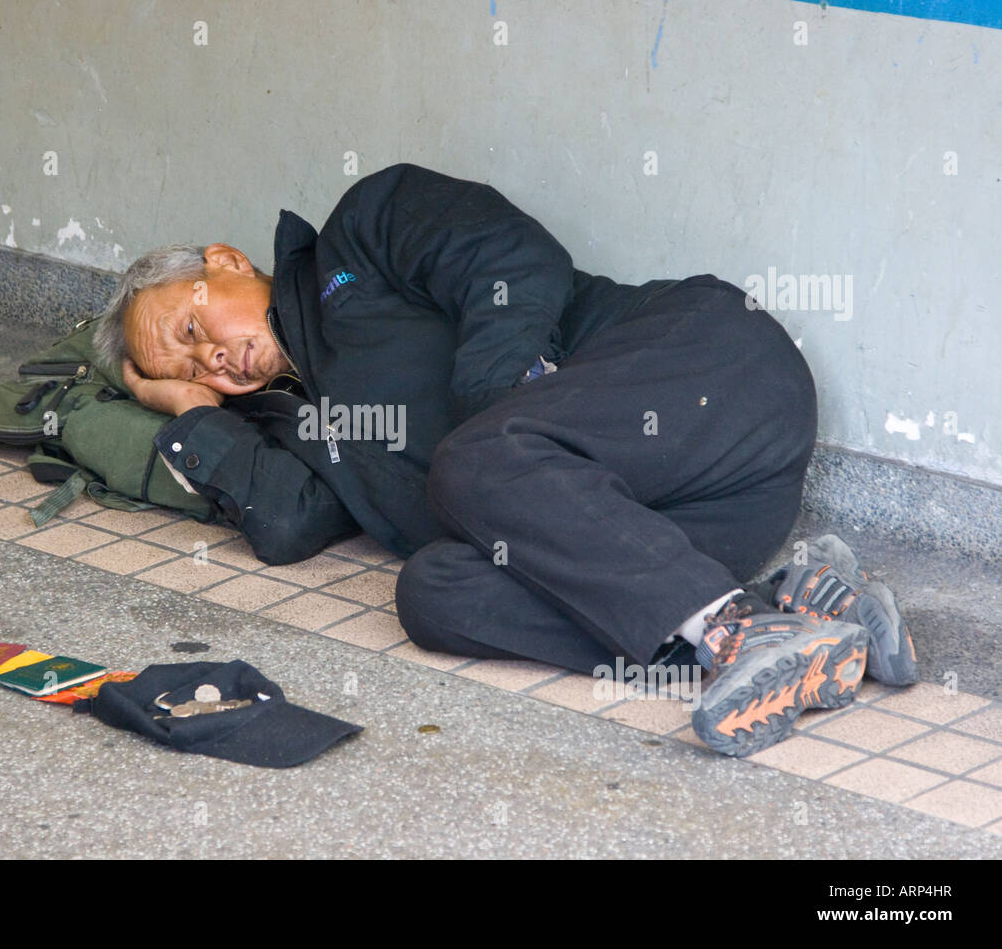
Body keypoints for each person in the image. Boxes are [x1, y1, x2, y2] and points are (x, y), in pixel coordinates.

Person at [91, 162, 917, 757]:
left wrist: (502, 404)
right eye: (189, 371)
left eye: (194, 332)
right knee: (435, 594)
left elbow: (512, 260)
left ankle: (737, 635)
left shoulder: (366, 227)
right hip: (695, 529)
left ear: (226, 263)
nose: (213, 363)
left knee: (474, 462)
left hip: (715, 372)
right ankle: (796, 611)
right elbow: (283, 522)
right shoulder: (286, 424)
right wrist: (192, 416)